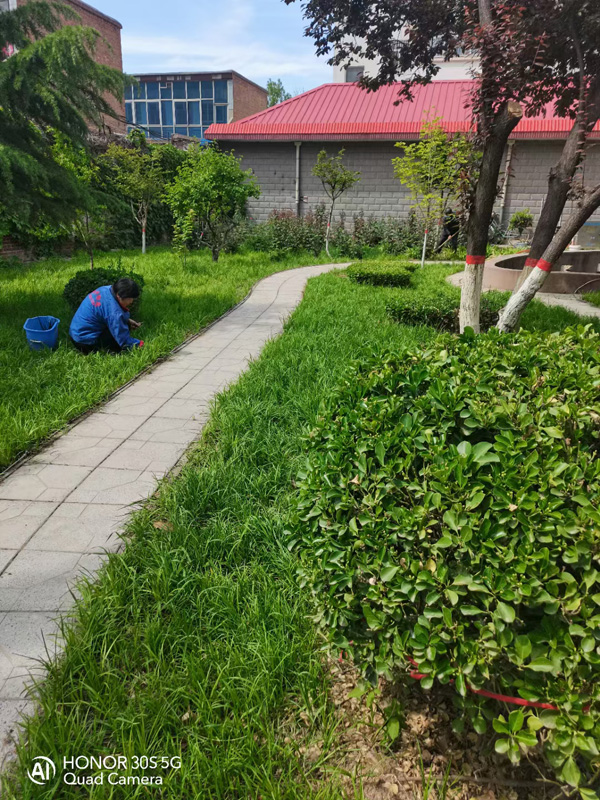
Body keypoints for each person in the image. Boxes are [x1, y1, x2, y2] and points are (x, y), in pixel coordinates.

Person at [69, 278, 144, 354]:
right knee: (117, 339)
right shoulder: (114, 312)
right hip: (84, 342)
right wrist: (140, 344)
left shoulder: (106, 289)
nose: (131, 301)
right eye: (130, 298)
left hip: (75, 334)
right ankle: (108, 350)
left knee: (123, 324)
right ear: (119, 296)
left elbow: (107, 312)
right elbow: (122, 337)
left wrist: (127, 320)